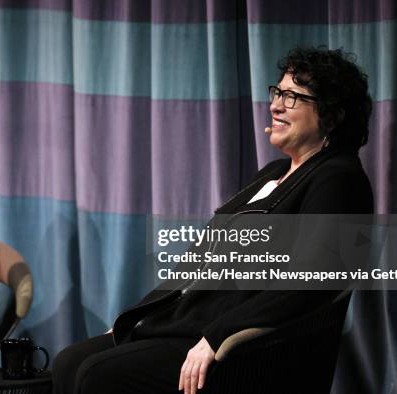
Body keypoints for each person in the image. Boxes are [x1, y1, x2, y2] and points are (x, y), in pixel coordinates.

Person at [52, 46, 374, 394]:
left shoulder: (338, 179)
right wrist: (136, 318)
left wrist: (220, 336)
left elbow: (312, 280)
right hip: (187, 325)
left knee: (96, 375)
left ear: (332, 113)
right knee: (69, 361)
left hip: (245, 350)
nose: (276, 105)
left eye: (293, 97)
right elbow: (198, 263)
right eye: (277, 92)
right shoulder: (273, 173)